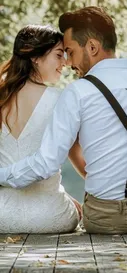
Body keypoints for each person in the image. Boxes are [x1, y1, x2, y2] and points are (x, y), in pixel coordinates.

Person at [1, 6, 127, 234]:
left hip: (102, 219)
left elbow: (47, 163)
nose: (68, 63)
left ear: (92, 47)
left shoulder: (78, 92)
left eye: (70, 52)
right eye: (61, 54)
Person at [0, 24, 82, 233]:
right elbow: (76, 161)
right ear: (35, 57)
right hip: (51, 217)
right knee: (75, 208)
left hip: (3, 215)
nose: (65, 62)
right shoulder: (61, 98)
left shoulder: (2, 97)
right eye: (58, 55)